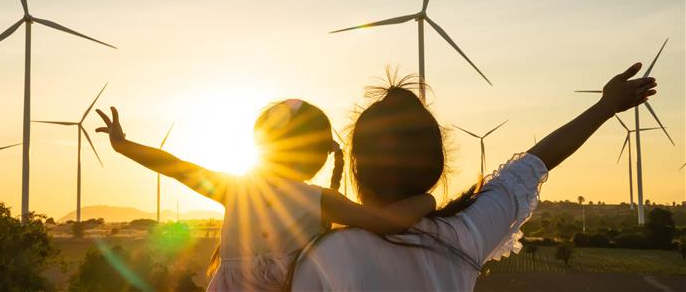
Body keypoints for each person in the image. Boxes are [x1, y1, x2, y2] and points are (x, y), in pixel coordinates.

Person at [291, 63, 657, 291]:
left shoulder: (326, 256)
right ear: (435, 168)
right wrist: (606, 106)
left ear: (356, 167)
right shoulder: (463, 234)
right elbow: (537, 161)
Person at [94, 99, 437, 291]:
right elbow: (385, 222)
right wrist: (427, 200)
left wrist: (123, 146)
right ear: (317, 156)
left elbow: (173, 165)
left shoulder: (236, 189)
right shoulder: (318, 199)